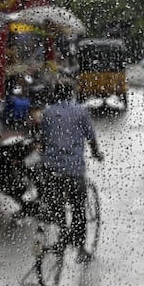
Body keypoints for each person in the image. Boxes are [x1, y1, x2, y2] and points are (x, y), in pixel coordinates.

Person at [37, 79, 104, 264]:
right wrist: (97, 153)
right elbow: (91, 137)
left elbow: (43, 140)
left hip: (51, 167)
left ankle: (61, 239)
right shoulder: (81, 111)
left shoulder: (48, 112)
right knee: (78, 208)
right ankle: (80, 248)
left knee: (57, 206)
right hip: (73, 169)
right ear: (71, 93)